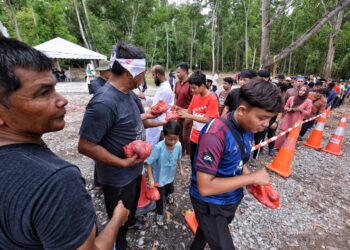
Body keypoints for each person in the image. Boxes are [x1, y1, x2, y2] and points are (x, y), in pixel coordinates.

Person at [0, 37, 129, 249]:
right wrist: (117, 219)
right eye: (44, 93)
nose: (62, 100)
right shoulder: (56, 182)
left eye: (54, 88)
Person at [189, 78, 283, 250]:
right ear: (242, 110)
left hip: (229, 199)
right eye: (262, 118)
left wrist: (250, 179)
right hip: (210, 204)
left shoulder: (248, 127)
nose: (266, 124)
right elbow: (205, 187)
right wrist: (251, 177)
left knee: (204, 235)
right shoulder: (215, 135)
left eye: (270, 119)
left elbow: (238, 161)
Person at [78, 42, 147, 250]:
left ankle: (125, 233)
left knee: (129, 213)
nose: (144, 77)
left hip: (133, 171)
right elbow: (85, 146)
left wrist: (151, 117)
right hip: (118, 178)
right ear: (129, 73)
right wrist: (122, 163)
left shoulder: (127, 94)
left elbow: (129, 123)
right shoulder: (104, 102)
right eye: (142, 72)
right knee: (118, 222)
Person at [145, 121, 185, 226]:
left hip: (170, 174)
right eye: (169, 139)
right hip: (159, 178)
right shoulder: (158, 147)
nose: (172, 142)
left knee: (170, 188)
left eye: (175, 139)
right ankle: (159, 214)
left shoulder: (179, 145)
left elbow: (179, 158)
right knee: (159, 197)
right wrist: (151, 178)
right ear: (163, 135)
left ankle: (169, 196)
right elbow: (148, 163)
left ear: (178, 136)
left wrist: (181, 169)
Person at [176, 71, 219, 169]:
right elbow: (190, 111)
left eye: (194, 88)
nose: (192, 90)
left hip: (207, 137)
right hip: (194, 136)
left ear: (203, 86)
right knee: (193, 161)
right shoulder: (196, 96)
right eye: (191, 87)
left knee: (203, 163)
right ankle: (194, 182)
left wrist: (188, 115)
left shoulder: (211, 98)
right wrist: (178, 109)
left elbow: (208, 119)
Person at [138, 65, 174, 145]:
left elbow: (159, 108)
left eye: (153, 75)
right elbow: (156, 100)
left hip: (159, 121)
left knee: (155, 144)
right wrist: (145, 97)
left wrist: (146, 113)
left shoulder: (165, 89)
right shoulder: (162, 86)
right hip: (156, 119)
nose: (153, 77)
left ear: (158, 75)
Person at [174, 62, 193, 156]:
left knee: (186, 135)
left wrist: (190, 115)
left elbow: (194, 100)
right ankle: (182, 151)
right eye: (176, 72)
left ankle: (189, 153)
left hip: (187, 113)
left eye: (178, 72)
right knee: (179, 133)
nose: (177, 74)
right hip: (178, 113)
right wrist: (174, 106)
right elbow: (176, 96)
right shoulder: (177, 84)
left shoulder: (191, 84)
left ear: (185, 72)